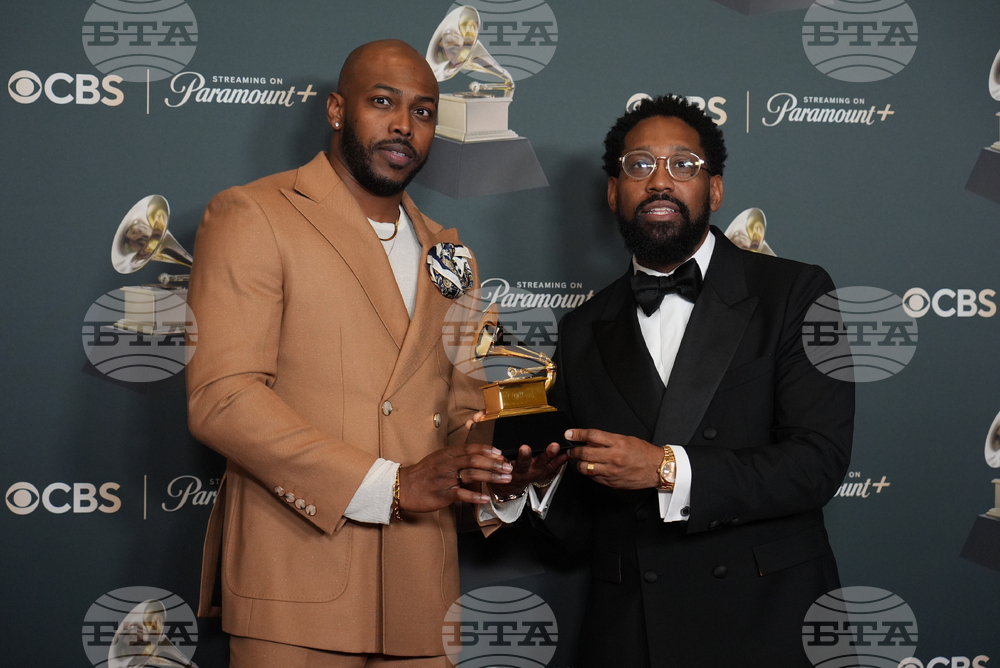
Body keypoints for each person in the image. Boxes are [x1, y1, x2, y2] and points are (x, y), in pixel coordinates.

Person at [487, 94, 855, 666]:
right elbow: (584, 523)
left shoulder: (797, 293)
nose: (661, 181)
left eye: (683, 165)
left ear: (714, 189)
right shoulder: (583, 328)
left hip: (769, 623)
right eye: (639, 165)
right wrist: (530, 488)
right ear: (613, 191)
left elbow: (818, 463)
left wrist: (664, 469)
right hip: (634, 634)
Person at [185, 39, 512, 667]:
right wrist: (389, 485)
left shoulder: (453, 255)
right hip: (295, 585)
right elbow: (221, 398)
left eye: (422, 112)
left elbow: (467, 407)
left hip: (423, 595)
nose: (402, 126)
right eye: (382, 102)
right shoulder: (253, 213)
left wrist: (502, 477)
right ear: (337, 110)